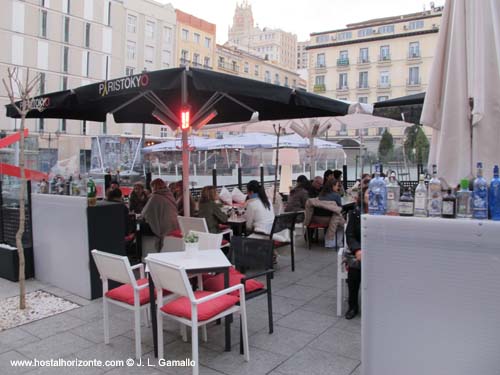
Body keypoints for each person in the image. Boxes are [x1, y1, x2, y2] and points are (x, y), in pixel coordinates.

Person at [343, 185, 369, 320]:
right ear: (363, 197)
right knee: (355, 268)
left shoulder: (385, 213)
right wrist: (357, 250)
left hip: (378, 252)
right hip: (360, 251)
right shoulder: (356, 213)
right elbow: (350, 234)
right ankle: (352, 305)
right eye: (368, 194)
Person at [140, 178, 179, 251]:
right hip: (174, 224)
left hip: (164, 226)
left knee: (139, 228)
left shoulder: (155, 197)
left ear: (154, 187)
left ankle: (141, 253)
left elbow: (146, 212)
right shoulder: (169, 194)